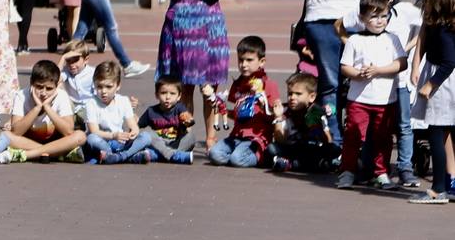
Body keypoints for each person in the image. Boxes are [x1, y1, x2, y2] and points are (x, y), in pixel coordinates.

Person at [157, 0, 231, 141]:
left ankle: (210, 138)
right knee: (183, 87)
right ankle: (185, 136)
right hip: (178, 31)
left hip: (208, 32)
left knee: (209, 88)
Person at [349, 0, 423, 188]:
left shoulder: (406, 10)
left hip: (399, 79)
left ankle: (405, 168)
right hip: (373, 84)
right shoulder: (365, 8)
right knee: (375, 127)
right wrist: (353, 46)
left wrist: (409, 50)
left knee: (403, 125)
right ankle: (372, 167)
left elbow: (424, 27)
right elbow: (340, 25)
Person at [337, 0, 407, 188]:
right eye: (374, 16)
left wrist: (379, 70)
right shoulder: (355, 40)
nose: (380, 21)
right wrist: (358, 74)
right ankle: (347, 170)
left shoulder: (392, 39)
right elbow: (345, 66)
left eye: (384, 16)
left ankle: (381, 173)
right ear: (362, 18)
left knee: (383, 138)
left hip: (386, 100)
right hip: (358, 99)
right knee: (353, 135)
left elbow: (402, 63)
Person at [410, 0, 455, 203]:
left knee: (436, 131)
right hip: (440, 74)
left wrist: (431, 83)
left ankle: (439, 188)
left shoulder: (445, 28)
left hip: (442, 79)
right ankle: (447, 183)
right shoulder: (440, 23)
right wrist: (417, 63)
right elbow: (424, 35)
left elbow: (450, 61)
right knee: (444, 130)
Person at [78, 60, 172, 163]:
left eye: (108, 87)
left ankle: (118, 157)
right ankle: (125, 156)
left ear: (118, 86)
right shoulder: (91, 103)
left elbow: (133, 125)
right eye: (99, 86)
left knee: (146, 137)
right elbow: (94, 131)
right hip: (103, 142)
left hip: (120, 142)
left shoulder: (123, 101)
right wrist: (113, 136)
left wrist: (133, 133)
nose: (104, 91)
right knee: (92, 138)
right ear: (94, 85)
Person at [208, 36, 281, 168]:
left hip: (256, 137)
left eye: (249, 60)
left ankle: (263, 157)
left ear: (262, 61)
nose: (244, 64)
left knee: (237, 159)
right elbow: (235, 114)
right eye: (241, 60)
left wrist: (263, 104)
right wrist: (222, 109)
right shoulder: (238, 84)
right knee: (214, 154)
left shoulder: (269, 85)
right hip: (236, 136)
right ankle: (239, 155)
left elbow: (275, 115)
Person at [7, 59, 86, 161]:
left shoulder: (62, 96)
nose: (43, 93)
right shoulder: (21, 96)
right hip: (29, 141)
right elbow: (16, 132)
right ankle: (58, 153)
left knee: (80, 136)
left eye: (49, 89)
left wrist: (47, 108)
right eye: (39, 87)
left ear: (56, 86)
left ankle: (28, 155)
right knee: (6, 136)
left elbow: (68, 132)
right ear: (31, 83)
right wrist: (37, 108)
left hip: (56, 141)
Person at [272, 71, 341, 175]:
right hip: (294, 149)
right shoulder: (286, 112)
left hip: (312, 147)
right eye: (290, 94)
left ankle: (292, 164)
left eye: (298, 94)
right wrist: (278, 117)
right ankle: (318, 164)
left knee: (332, 148)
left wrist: (316, 126)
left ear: (312, 97)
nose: (292, 97)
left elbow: (327, 138)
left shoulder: (315, 111)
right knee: (272, 149)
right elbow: (281, 140)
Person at [138, 77, 199, 161]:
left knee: (191, 137)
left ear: (179, 96)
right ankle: (174, 156)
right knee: (148, 134)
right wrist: (132, 114)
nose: (167, 97)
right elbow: (137, 126)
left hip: (176, 143)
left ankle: (158, 155)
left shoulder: (180, 108)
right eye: (163, 93)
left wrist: (187, 121)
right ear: (156, 95)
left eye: (172, 93)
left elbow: (188, 120)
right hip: (159, 144)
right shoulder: (151, 111)